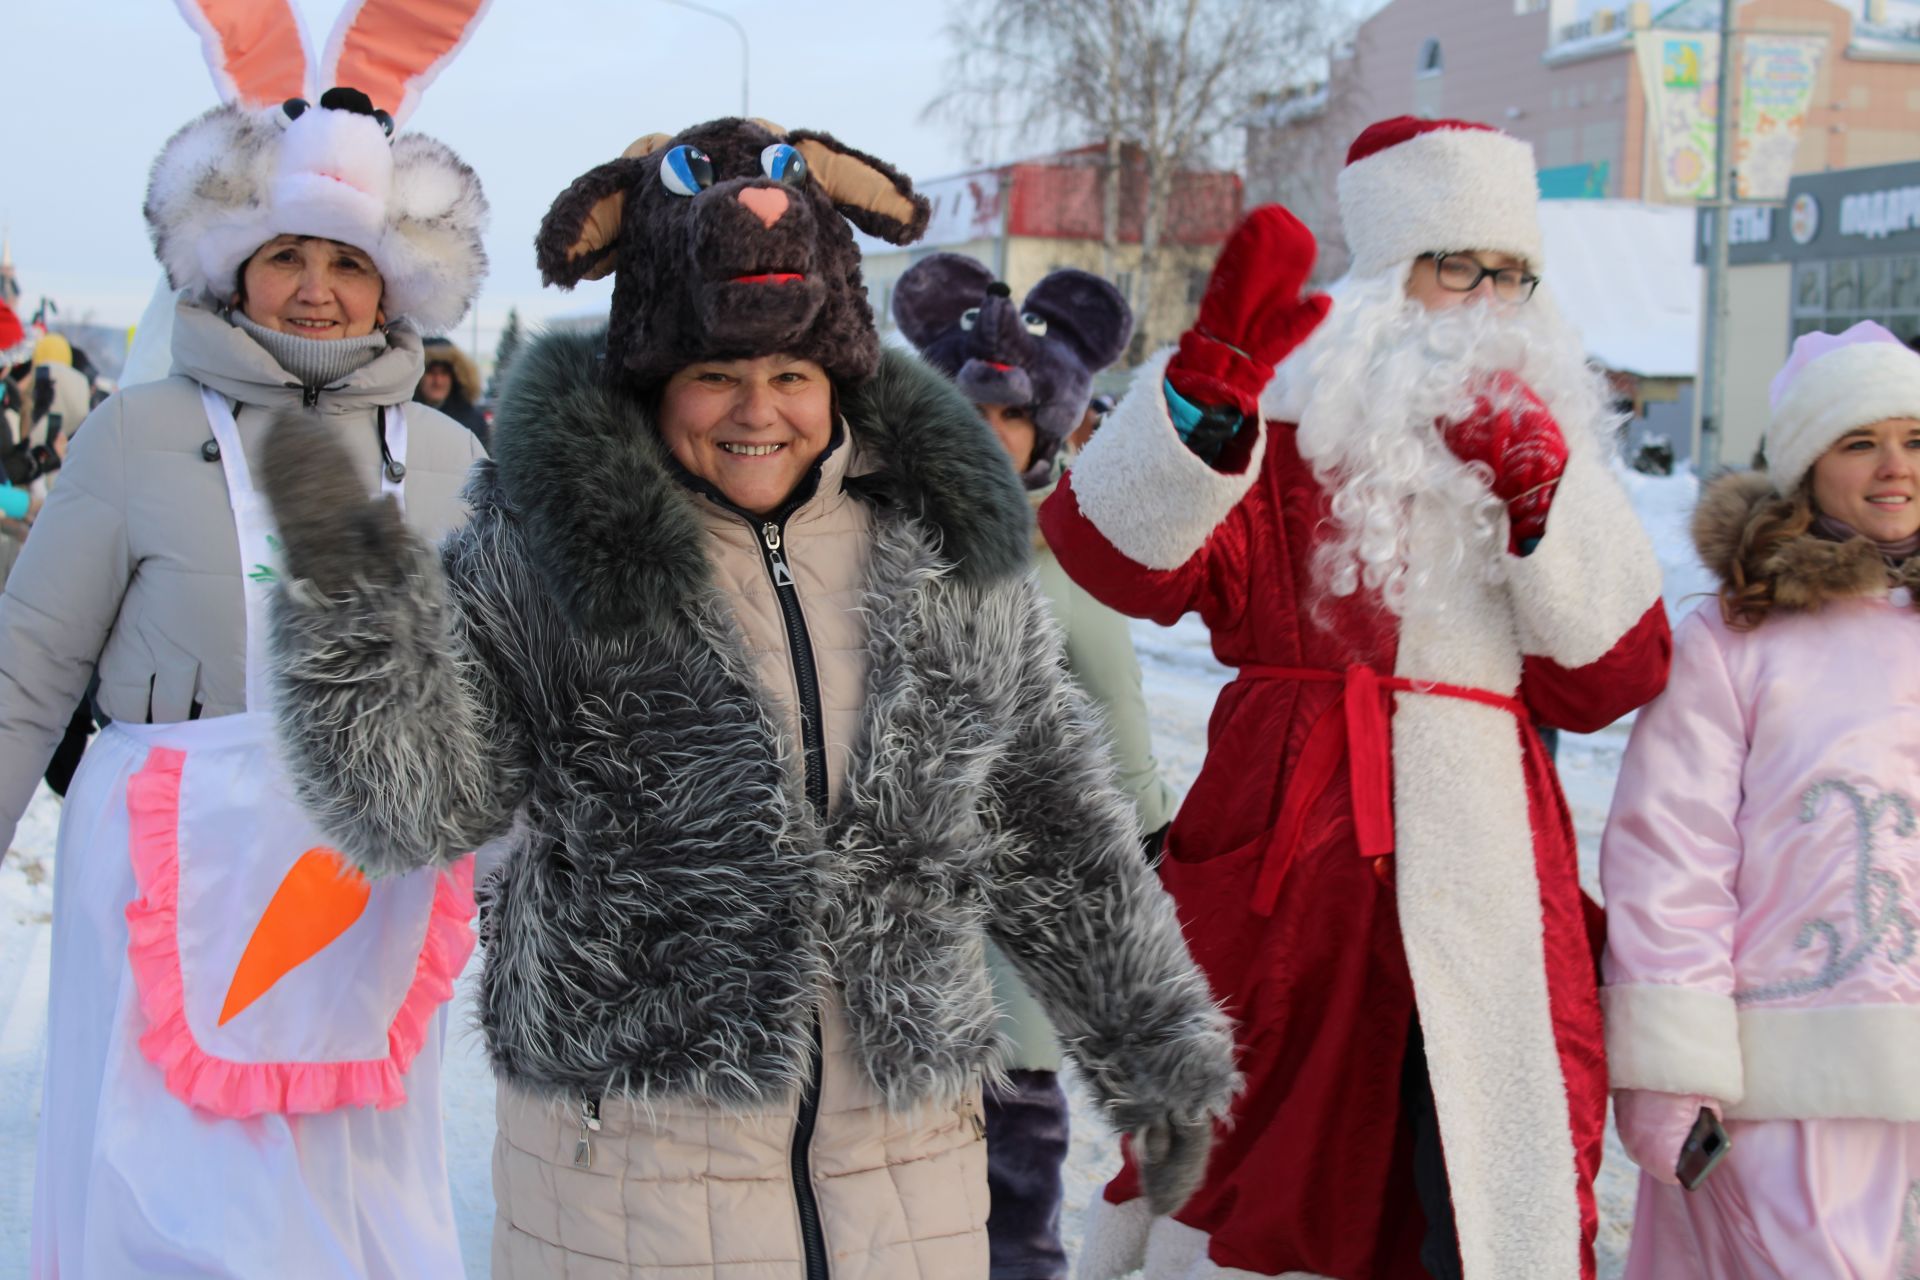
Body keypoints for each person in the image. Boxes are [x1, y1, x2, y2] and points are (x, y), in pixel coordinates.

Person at [258, 114, 1237, 1280]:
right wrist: (353, 609)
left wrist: (1153, 1044)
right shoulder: (548, 555)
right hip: (635, 1181)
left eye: (790, 373)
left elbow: (1047, 821)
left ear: (842, 374)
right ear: (649, 378)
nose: (755, 409)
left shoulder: (935, 554)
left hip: (905, 1174)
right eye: (712, 374)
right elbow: (418, 803)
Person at [1045, 116, 1672, 1280]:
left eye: (1513, 272)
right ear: (1391, 275)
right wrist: (1196, 410)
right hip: (1290, 870)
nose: (1488, 299)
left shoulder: (1548, 448)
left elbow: (1615, 679)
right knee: (1267, 1174)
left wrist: (1542, 500)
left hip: (1487, 867)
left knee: (1484, 1171)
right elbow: (1109, 560)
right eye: (1458, 266)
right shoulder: (1282, 430)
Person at [0, 1, 494, 1269]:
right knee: (156, 1190)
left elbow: (502, 693)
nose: (318, 291)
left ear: (396, 278)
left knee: (354, 1189)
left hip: (362, 888)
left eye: (349, 263)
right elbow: (27, 666)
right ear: (231, 265)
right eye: (287, 257)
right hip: (166, 863)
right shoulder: (137, 431)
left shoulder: (446, 458)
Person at [1602, 321, 1920, 1279]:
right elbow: (1673, 856)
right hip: (1784, 1075)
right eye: (1860, 442)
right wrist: (1674, 1071)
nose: (1894, 467)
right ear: (1806, 468)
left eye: (1916, 438)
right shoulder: (1734, 640)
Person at [893, 253, 1181, 1280]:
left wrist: (1151, 844)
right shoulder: (866, 543)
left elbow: (1115, 717)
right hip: (878, 963)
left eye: (1006, 419)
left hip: (1014, 966)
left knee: (1011, 1210)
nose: (981, 439)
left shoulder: (1067, 566)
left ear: (1045, 432)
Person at [415, 334, 489, 444]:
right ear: (417, 376)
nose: (438, 381)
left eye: (444, 373)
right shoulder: (401, 418)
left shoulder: (473, 421)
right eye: (431, 373)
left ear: (455, 377)